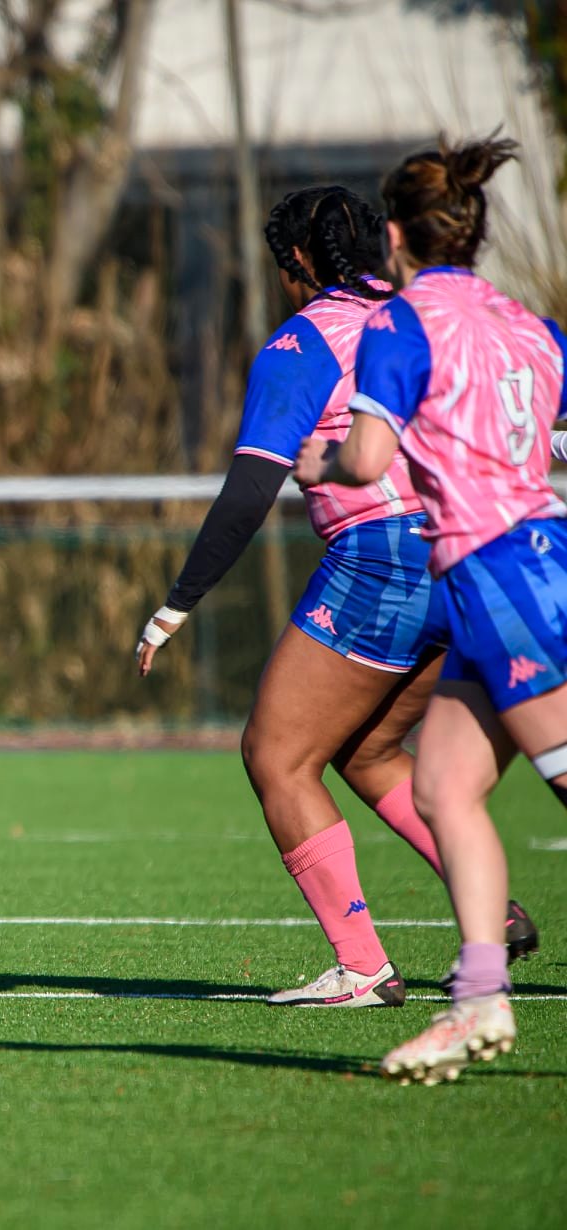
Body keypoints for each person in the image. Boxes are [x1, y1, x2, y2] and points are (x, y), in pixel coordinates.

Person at [138, 187, 538, 1006]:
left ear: (298, 265)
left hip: (383, 556)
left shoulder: (303, 343)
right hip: (467, 554)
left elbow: (250, 493)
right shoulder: (432, 320)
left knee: (277, 757)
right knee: (366, 750)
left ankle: (363, 966)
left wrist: (175, 604)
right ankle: (488, 905)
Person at [295, 136, 567, 1082]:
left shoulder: (400, 325)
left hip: (502, 578)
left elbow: (366, 460)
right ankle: (480, 1003)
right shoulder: (532, 327)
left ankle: (480, 1000)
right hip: (528, 565)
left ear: (398, 235)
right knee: (446, 790)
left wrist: (316, 462)